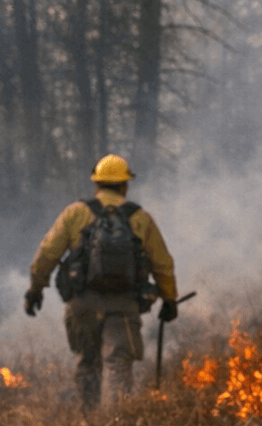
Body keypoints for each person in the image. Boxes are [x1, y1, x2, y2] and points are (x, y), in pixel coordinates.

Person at [25, 154, 180, 409]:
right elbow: (162, 263)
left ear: (96, 184)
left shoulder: (75, 213)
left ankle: (90, 421)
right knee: (118, 362)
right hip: (124, 304)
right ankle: (115, 423)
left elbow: (47, 255)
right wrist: (169, 299)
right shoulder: (140, 218)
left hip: (83, 303)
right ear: (124, 186)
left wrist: (35, 289)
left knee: (87, 361)